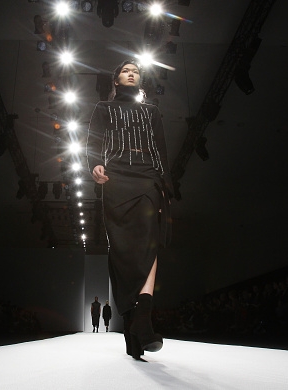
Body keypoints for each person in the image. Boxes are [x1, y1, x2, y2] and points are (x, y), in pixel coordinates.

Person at [86, 59, 173, 360]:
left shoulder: (152, 112)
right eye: (125, 69)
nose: (131, 72)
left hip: (148, 177)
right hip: (116, 178)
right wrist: (95, 165)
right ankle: (130, 322)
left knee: (150, 241)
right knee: (121, 250)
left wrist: (165, 187)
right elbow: (94, 142)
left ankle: (145, 318)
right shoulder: (103, 109)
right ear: (116, 79)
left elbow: (161, 149)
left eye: (135, 70)